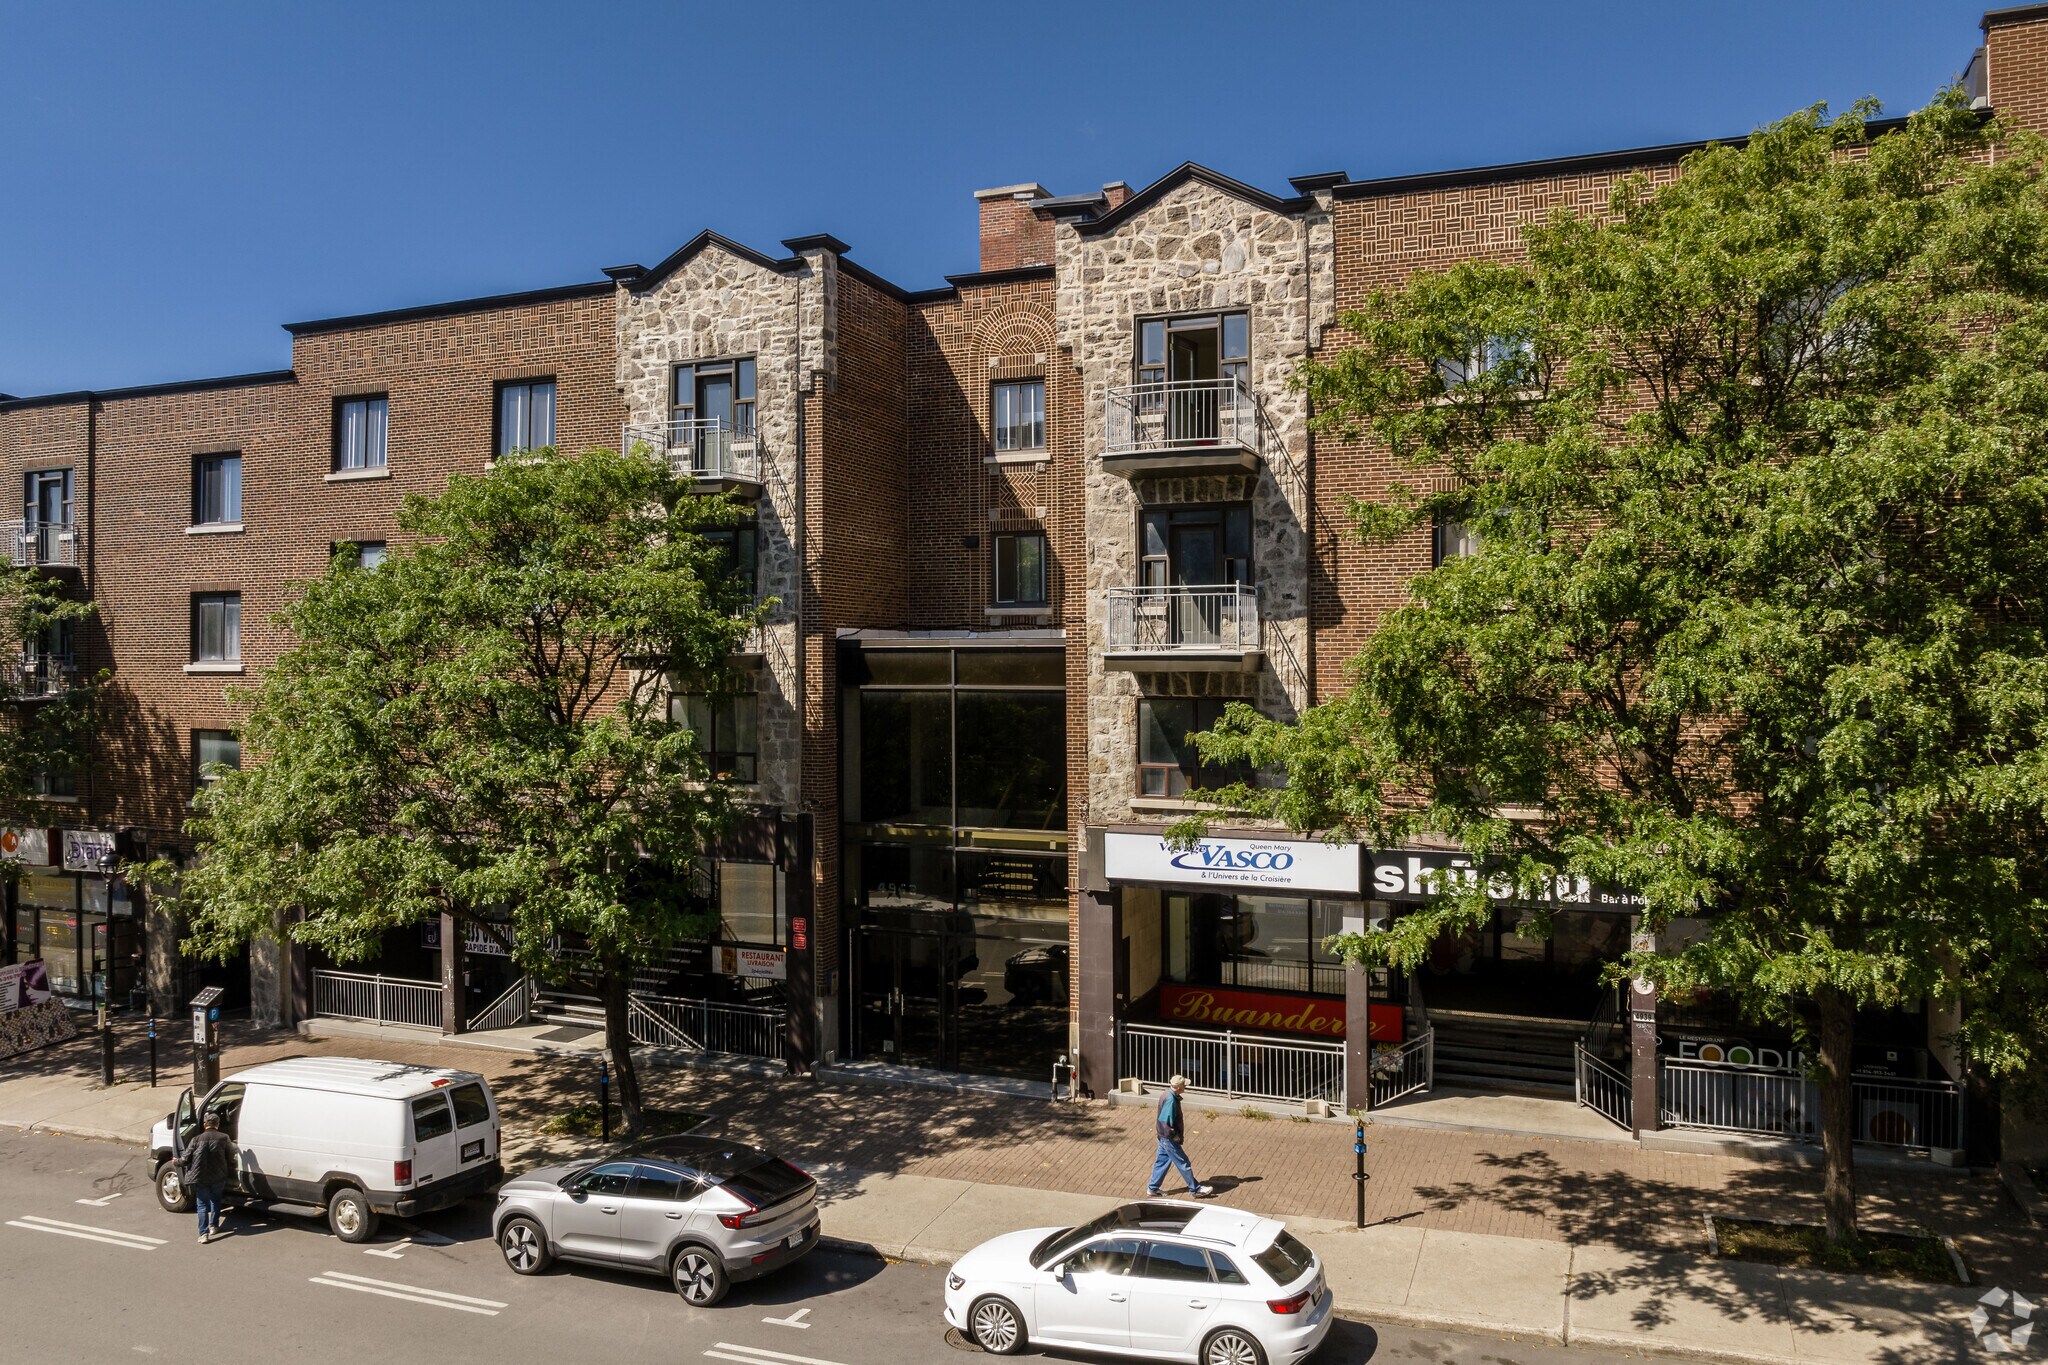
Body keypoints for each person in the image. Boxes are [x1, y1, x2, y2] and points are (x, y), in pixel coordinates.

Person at [1146, 1075, 1214, 1198]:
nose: (1185, 1087)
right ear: (1178, 1087)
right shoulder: (1171, 1100)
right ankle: (1196, 1190)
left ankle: (1153, 1188)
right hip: (1168, 1138)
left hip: (1162, 1137)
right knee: (1183, 1163)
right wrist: (1174, 1136)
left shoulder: (1167, 1094)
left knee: (1161, 1162)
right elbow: (1165, 1121)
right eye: (1184, 1085)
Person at [181, 1111, 237, 1244]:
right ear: (218, 1124)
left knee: (202, 1205)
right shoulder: (224, 1138)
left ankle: (203, 1234)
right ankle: (214, 1226)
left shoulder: (196, 1139)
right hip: (218, 1177)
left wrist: (175, 1161)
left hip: (200, 1177)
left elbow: (185, 1159)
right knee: (216, 1201)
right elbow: (231, 1156)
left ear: (205, 1124)